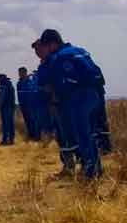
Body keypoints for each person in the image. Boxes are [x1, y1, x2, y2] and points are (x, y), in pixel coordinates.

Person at [35, 29, 105, 179]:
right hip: (95, 96)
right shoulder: (80, 50)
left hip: (79, 98)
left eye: (45, 46)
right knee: (90, 134)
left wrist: (57, 95)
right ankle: (97, 168)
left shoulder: (61, 57)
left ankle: (90, 173)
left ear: (52, 44)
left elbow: (64, 82)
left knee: (82, 136)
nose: (45, 50)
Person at [35, 40, 77, 176]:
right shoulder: (44, 65)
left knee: (68, 136)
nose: (37, 52)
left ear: (47, 47)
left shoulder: (54, 61)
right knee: (61, 137)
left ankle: (77, 165)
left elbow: (55, 83)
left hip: (59, 105)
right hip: (50, 107)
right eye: (36, 51)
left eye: (40, 49)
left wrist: (54, 98)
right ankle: (67, 166)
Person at [16, 67, 41, 141]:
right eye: (19, 73)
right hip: (23, 104)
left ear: (25, 72)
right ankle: (31, 135)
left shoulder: (30, 81)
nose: (20, 74)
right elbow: (19, 94)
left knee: (33, 121)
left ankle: (36, 136)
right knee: (27, 121)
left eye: (21, 72)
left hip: (31, 104)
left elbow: (32, 92)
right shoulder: (19, 83)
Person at [0, 74, 16, 145]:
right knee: (8, 124)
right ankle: (9, 139)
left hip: (6, 107)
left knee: (7, 124)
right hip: (8, 107)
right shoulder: (9, 85)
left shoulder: (5, 86)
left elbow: (2, 98)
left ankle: (7, 140)